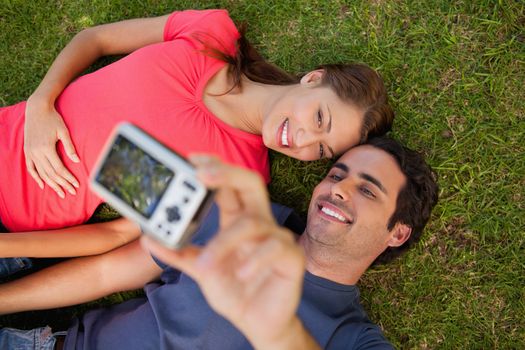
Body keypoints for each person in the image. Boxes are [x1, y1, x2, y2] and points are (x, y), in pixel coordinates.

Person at [0, 9, 393, 264]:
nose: (304, 140)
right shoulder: (211, 36)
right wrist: (40, 104)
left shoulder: (234, 173)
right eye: (320, 116)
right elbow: (95, 40)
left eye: (321, 149)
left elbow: (115, 234)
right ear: (314, 78)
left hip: (15, 222)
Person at [0, 137, 438, 349]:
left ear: (397, 231)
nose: (338, 189)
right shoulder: (244, 217)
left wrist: (276, 330)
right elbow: (107, 269)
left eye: (368, 190)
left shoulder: (350, 336)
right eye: (336, 174)